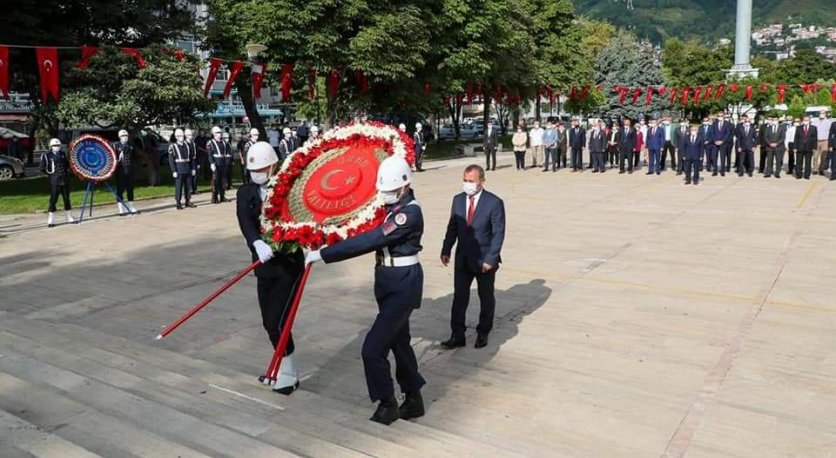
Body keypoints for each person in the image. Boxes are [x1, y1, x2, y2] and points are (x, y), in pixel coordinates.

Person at [306, 156, 427, 425]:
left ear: (406, 187)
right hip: (388, 279)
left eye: (391, 192)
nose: (385, 197)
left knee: (372, 349)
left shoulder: (409, 213)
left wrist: (325, 254)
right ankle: (414, 398)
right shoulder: (393, 206)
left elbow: (374, 239)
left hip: (403, 282)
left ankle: (387, 404)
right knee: (399, 342)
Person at [237, 141, 306, 395]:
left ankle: (289, 372)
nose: (257, 173)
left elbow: (301, 220)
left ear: (273, 166)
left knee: (279, 321)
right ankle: (281, 367)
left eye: (263, 168)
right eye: (253, 169)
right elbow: (245, 221)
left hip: (289, 267)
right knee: (268, 322)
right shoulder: (246, 193)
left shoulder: (289, 190)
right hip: (264, 266)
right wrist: (257, 242)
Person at [440, 164, 505, 350]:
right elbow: (452, 227)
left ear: (481, 182)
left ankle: (483, 332)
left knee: (486, 297)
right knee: (459, 298)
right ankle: (457, 335)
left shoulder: (494, 202)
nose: (467, 184)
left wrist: (491, 259)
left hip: (484, 260)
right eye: (465, 180)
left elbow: (498, 233)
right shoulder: (458, 200)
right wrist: (446, 249)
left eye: (471, 181)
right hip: (462, 258)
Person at [40, 138, 75, 228]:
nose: (57, 147)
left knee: (66, 198)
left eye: (58, 145)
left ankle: (69, 216)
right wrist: (51, 175)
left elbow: (67, 165)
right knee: (53, 199)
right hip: (54, 181)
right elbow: (42, 168)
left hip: (64, 179)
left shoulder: (63, 154)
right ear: (51, 146)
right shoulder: (47, 155)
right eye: (55, 146)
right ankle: (51, 219)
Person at [168, 128, 195, 210]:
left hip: (187, 168)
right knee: (179, 187)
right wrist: (174, 171)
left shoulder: (187, 145)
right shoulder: (172, 146)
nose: (182, 137)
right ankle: (178, 202)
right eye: (180, 136)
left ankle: (188, 201)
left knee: (188, 186)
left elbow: (191, 158)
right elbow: (171, 160)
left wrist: (193, 168)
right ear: (176, 137)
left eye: (182, 135)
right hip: (179, 169)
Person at [113, 129, 139, 215]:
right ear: (119, 137)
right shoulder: (116, 146)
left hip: (130, 170)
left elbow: (135, 157)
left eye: (126, 136)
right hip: (120, 171)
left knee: (130, 189)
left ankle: (131, 206)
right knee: (120, 189)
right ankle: (121, 208)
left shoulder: (131, 145)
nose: (125, 137)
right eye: (123, 136)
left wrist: (134, 168)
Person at [207, 125, 231, 203]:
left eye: (220, 132)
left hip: (223, 163)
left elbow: (227, 152)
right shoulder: (210, 143)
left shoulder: (224, 142)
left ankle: (222, 196)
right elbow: (210, 154)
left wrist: (227, 162)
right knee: (215, 181)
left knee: (223, 180)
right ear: (214, 133)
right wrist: (212, 163)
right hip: (216, 163)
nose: (219, 134)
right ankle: (214, 197)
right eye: (217, 133)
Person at [710, 112, 733, 177]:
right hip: (715, 143)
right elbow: (712, 132)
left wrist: (722, 141)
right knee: (714, 157)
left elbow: (727, 133)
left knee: (723, 157)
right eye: (719, 116)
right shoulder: (714, 123)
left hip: (723, 143)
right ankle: (715, 171)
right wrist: (715, 140)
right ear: (717, 117)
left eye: (721, 116)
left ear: (723, 116)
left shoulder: (727, 123)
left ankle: (722, 171)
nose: (720, 117)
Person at [813, 110, 833, 175]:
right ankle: (815, 169)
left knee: (823, 157)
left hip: (825, 141)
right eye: (820, 113)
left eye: (823, 113)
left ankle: (821, 169)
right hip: (816, 141)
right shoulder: (814, 122)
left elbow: (831, 133)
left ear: (825, 114)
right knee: (815, 156)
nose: (821, 114)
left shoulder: (829, 122)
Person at [184, 129, 200, 195]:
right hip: (188, 162)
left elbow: (197, 154)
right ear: (186, 135)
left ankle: (194, 189)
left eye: (192, 135)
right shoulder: (184, 144)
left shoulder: (194, 144)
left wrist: (198, 163)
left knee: (195, 176)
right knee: (188, 177)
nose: (191, 136)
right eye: (189, 135)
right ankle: (189, 189)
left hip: (194, 161)